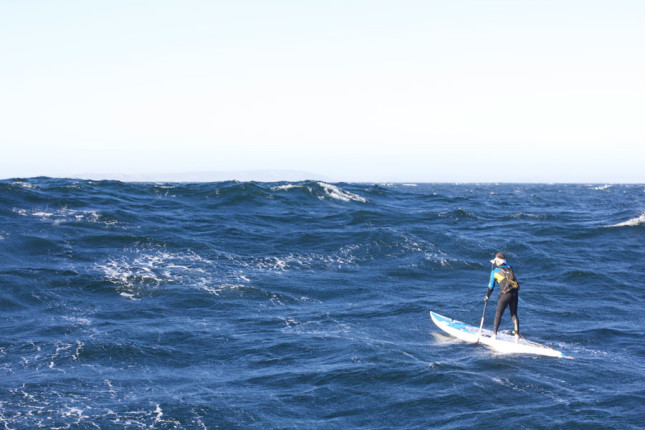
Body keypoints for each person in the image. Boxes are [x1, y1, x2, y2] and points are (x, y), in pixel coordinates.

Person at [485, 252, 520, 342]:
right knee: (514, 314)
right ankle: (516, 336)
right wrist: (497, 261)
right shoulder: (510, 267)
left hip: (505, 295)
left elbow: (491, 286)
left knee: (498, 314)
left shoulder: (495, 272)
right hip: (515, 293)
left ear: (497, 261)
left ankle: (494, 335)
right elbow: (507, 264)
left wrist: (487, 296)